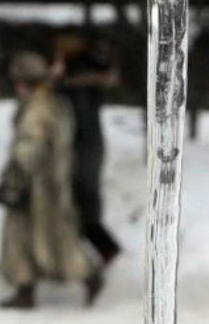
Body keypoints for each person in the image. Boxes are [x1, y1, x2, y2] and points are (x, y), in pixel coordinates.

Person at [0, 52, 104, 309]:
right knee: (45, 237)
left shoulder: (38, 108)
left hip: (37, 186)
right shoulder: (54, 102)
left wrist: (15, 175)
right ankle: (26, 290)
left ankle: (87, 275)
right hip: (52, 182)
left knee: (39, 238)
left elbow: (31, 145)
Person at [52, 33, 122, 266]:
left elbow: (78, 121)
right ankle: (95, 251)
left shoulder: (75, 86)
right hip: (89, 147)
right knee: (83, 204)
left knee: (81, 204)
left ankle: (100, 251)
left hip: (83, 149)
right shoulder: (83, 83)